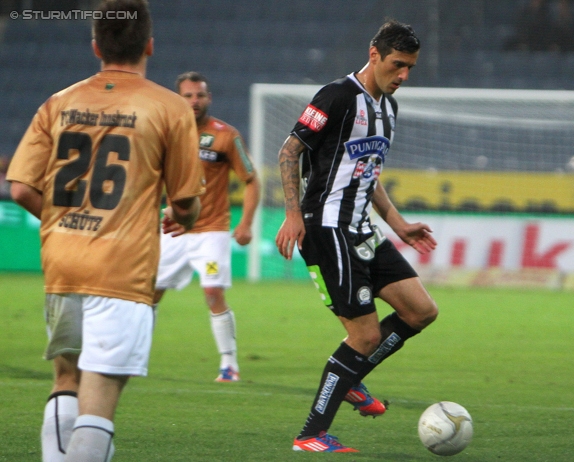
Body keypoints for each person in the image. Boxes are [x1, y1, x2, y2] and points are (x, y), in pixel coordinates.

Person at [6, 1, 205, 461]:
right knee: (98, 404)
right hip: (122, 268)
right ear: (150, 45)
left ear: (96, 46)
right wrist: (187, 218)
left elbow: (19, 189)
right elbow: (184, 203)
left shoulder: (58, 102)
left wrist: (62, 223)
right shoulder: (171, 108)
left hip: (63, 263)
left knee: (66, 381)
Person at [275, 19, 439, 453]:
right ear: (374, 54)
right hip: (326, 228)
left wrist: (398, 223)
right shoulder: (337, 96)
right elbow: (290, 150)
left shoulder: (389, 108)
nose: (403, 76)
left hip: (363, 228)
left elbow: (369, 173)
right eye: (398, 65)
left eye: (410, 68)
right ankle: (310, 435)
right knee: (364, 336)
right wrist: (293, 214)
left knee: (421, 311)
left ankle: (351, 380)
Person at [153, 71, 260, 382]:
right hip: (172, 228)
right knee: (149, 293)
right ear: (178, 99)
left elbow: (251, 180)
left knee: (213, 292)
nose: (195, 101)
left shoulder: (226, 135)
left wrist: (246, 224)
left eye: (200, 95)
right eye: (188, 95)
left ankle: (229, 364)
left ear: (208, 98)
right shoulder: (166, 133)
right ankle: (132, 354)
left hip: (211, 229)